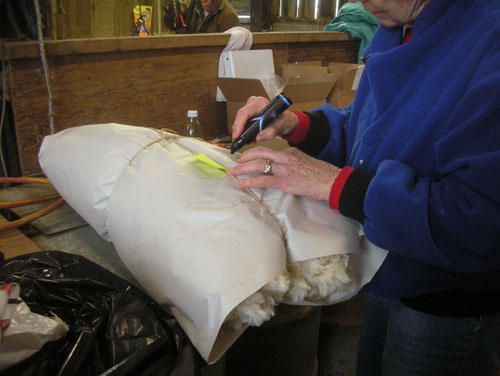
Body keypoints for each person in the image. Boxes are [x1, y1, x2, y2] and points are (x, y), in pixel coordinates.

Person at [228, 0, 500, 374]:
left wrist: (335, 184)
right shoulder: (400, 26)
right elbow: (371, 130)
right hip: (387, 271)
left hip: (447, 301)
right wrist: (298, 126)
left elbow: (480, 221)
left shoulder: (489, 39)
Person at [164, 0, 239, 34]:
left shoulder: (229, 16)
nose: (210, 1)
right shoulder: (187, 6)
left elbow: (229, 48)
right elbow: (171, 27)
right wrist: (170, 20)